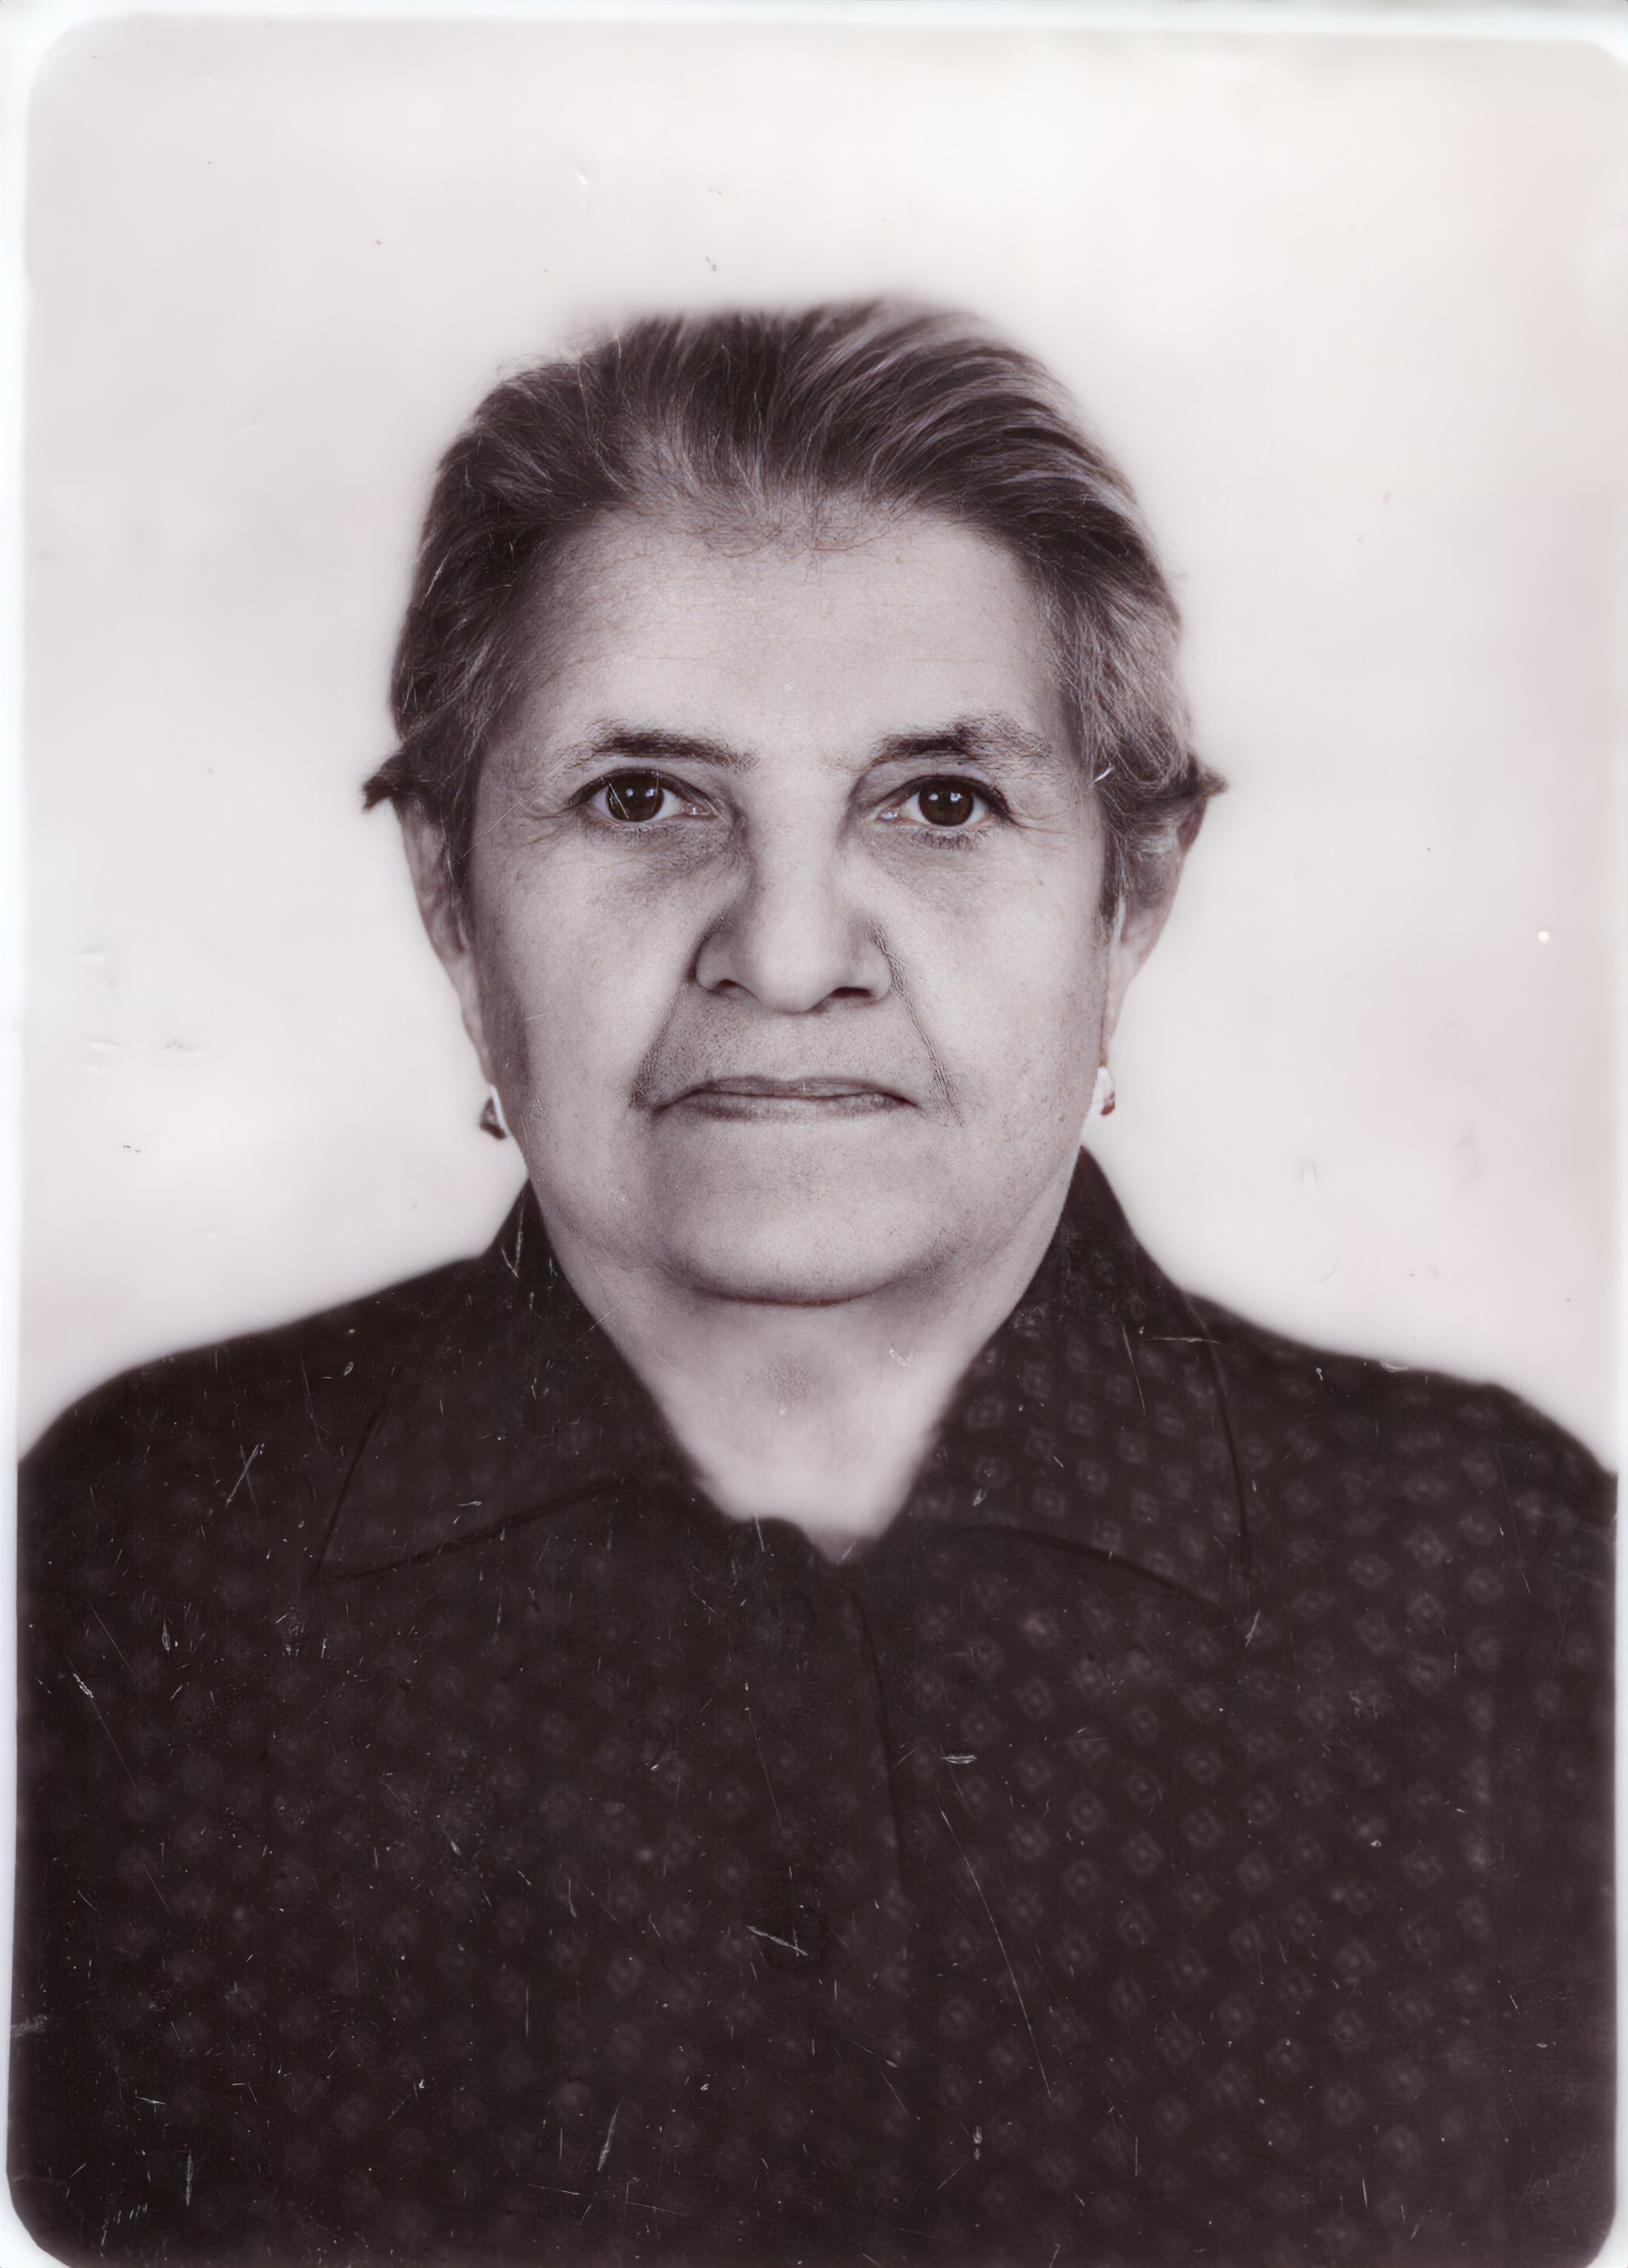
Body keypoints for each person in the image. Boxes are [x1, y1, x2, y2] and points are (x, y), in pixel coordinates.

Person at [11, 303, 1611, 2268]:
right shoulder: (131, 1560)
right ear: (448, 889)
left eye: (938, 801)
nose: (782, 957)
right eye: (640, 797)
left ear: (1129, 897)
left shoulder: (1503, 1581)